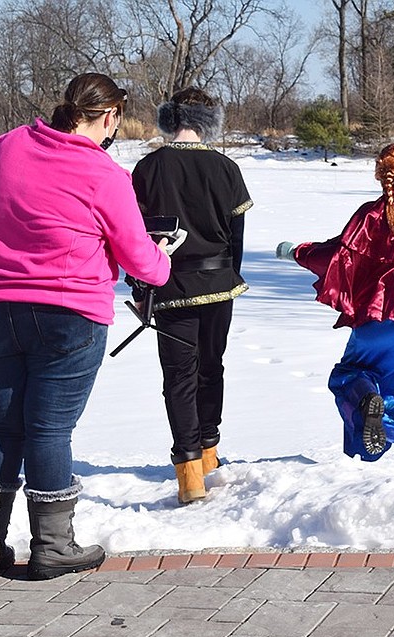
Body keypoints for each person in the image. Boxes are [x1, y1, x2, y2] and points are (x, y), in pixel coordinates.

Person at [0, 72, 172, 580]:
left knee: (1, 424)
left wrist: (13, 237)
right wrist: (162, 263)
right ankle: (52, 546)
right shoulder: (104, 174)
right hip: (67, 312)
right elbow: (139, 257)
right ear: (110, 116)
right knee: (49, 428)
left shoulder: (6, 145)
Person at [276, 142, 394, 480]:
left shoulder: (370, 214)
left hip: (375, 318)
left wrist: (296, 251)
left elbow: (337, 255)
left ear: (381, 174)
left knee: (349, 374)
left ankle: (367, 397)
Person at [131, 87, 252, 504]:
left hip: (169, 282)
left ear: (170, 119)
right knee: (211, 368)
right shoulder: (226, 168)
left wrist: (140, 284)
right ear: (207, 121)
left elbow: (135, 238)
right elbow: (236, 239)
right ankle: (208, 455)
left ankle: (190, 474)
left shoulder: (147, 168)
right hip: (220, 285)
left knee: (178, 377)